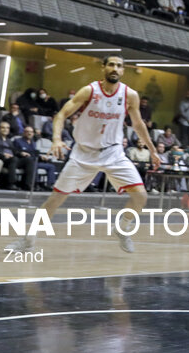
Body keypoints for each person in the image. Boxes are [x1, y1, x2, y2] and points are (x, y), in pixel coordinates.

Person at [8, 55, 159, 254]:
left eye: (119, 66)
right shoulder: (90, 91)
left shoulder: (130, 95)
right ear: (103, 68)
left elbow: (138, 124)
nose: (115, 68)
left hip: (113, 152)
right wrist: (56, 139)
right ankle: (28, 240)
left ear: (123, 70)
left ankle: (122, 229)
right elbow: (62, 114)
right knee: (55, 200)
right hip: (83, 154)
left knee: (140, 196)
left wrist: (152, 150)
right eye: (111, 64)